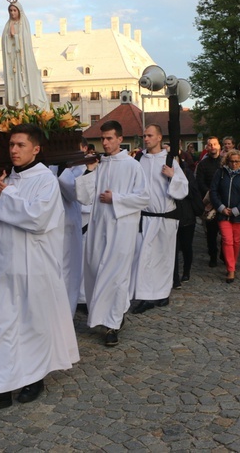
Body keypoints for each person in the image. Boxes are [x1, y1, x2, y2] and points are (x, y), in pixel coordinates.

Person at [0, 123, 79, 413]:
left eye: (20, 145)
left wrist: (6, 195)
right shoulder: (6, 179)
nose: (14, 150)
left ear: (36, 148)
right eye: (11, 145)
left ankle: (34, 378)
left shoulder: (46, 180)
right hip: (4, 262)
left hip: (34, 263)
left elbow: (37, 218)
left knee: (32, 323)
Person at [76, 120, 150, 347]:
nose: (105, 143)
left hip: (121, 229)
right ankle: (104, 315)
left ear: (120, 139)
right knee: (97, 270)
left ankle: (113, 324)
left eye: (109, 138)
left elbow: (144, 198)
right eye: (103, 139)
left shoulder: (132, 166)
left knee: (116, 277)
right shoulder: (98, 164)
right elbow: (83, 196)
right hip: (99, 228)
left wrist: (115, 198)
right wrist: (89, 171)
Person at [130, 125, 188, 314]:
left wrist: (173, 177)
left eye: (149, 135)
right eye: (144, 135)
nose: (146, 139)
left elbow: (184, 188)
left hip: (166, 217)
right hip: (145, 217)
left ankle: (162, 294)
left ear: (159, 138)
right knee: (144, 256)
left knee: (164, 257)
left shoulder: (170, 160)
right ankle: (147, 295)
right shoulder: (138, 159)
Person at [56, 136, 89, 315]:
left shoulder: (82, 167)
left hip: (72, 221)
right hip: (52, 223)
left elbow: (76, 192)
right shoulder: (50, 166)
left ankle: (70, 308)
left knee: (70, 268)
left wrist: (63, 171)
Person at [210, 150, 240, 283]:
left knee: (236, 241)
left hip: (238, 214)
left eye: (237, 161)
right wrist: (221, 208)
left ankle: (232, 263)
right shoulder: (221, 173)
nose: (234, 164)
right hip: (223, 213)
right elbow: (213, 191)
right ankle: (231, 269)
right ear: (227, 161)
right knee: (227, 240)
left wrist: (237, 210)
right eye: (231, 161)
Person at [2, 0, 48, 111]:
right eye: (10, 10)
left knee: (25, 79)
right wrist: (9, 37)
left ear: (19, 11)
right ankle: (18, 105)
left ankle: (29, 104)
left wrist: (15, 36)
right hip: (13, 60)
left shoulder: (24, 24)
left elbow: (25, 42)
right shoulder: (8, 25)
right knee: (15, 82)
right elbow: (5, 42)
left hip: (24, 60)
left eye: (14, 10)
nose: (12, 13)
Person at [173, 153, 203, 288]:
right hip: (172, 215)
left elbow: (192, 192)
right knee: (173, 247)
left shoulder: (187, 173)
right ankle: (174, 276)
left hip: (186, 215)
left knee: (186, 246)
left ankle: (186, 270)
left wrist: (176, 180)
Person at [195, 136, 222, 267]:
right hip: (209, 202)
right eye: (210, 145)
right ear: (206, 147)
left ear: (219, 146)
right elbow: (199, 182)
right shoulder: (202, 164)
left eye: (214, 144)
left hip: (223, 201)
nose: (212, 147)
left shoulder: (224, 162)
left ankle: (224, 254)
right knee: (211, 232)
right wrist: (210, 194)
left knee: (224, 232)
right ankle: (213, 255)